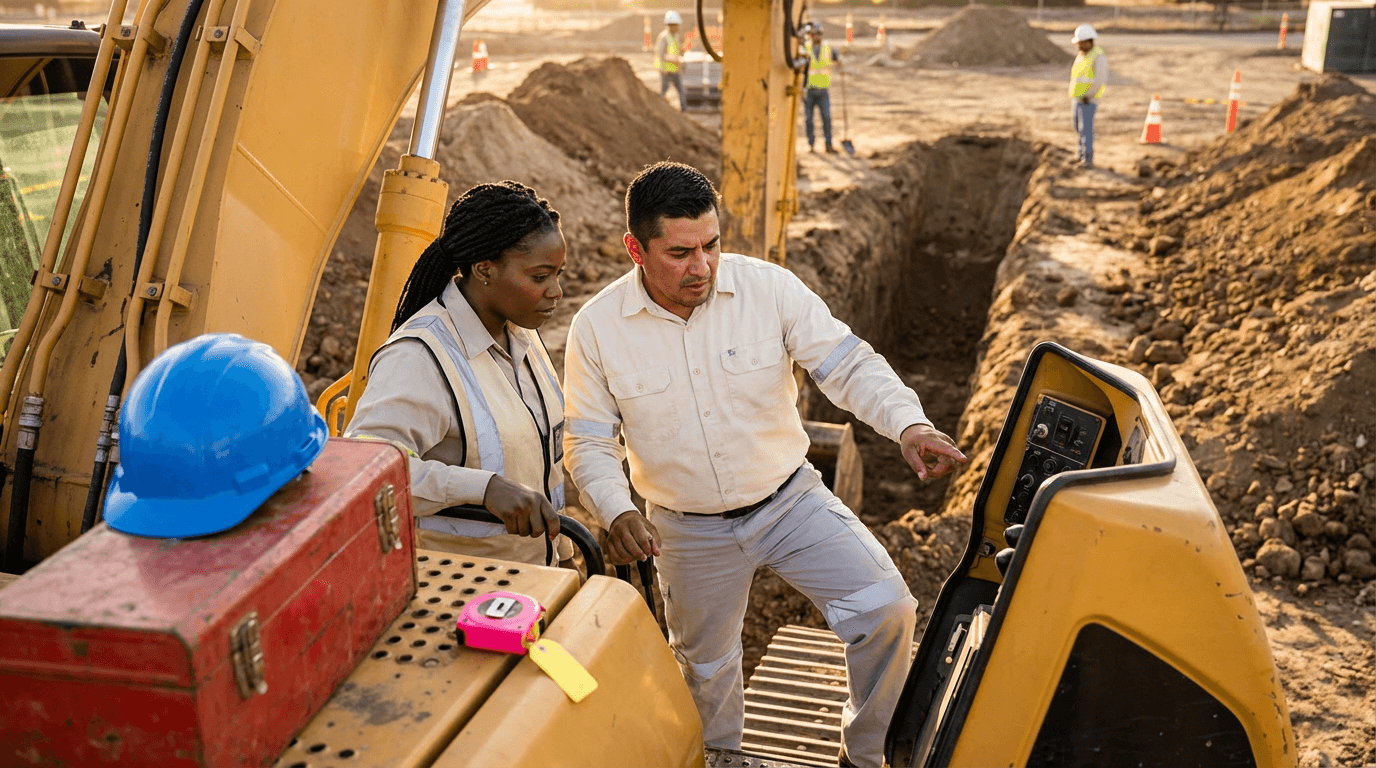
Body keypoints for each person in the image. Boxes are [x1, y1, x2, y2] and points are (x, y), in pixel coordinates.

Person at [562, 162, 967, 768]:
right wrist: (617, 510)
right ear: (635, 249)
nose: (701, 266)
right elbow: (590, 441)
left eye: (711, 245)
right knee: (704, 667)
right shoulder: (596, 329)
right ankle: (720, 756)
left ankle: (866, 756)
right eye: (679, 252)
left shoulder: (769, 290)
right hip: (686, 526)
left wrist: (907, 423)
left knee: (888, 610)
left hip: (791, 501)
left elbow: (846, 364)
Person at [346, 181, 572, 566]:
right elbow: (365, 476)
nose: (557, 291)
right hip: (460, 594)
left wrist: (563, 557)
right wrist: (483, 489)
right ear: (484, 269)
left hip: (534, 583)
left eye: (558, 274)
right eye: (540, 277)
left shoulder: (523, 334)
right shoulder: (418, 357)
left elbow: (544, 465)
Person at [1069, 23, 1109, 168]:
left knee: (1086, 130)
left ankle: (1087, 159)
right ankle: (1080, 155)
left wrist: (1089, 95)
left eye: (1080, 42)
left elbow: (1099, 80)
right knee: (1078, 128)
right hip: (1077, 98)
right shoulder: (1082, 55)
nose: (1078, 45)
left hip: (1088, 100)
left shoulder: (1098, 57)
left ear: (1088, 41)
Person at [802, 23, 841, 154]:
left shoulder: (827, 48)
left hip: (823, 90)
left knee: (826, 118)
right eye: (813, 34)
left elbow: (837, 58)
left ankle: (828, 145)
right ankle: (811, 145)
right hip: (809, 90)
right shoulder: (804, 49)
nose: (815, 37)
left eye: (817, 34)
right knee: (808, 119)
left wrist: (840, 62)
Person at [655, 10, 686, 110]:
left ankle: (684, 111)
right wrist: (663, 69)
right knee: (664, 91)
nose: (677, 27)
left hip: (675, 69)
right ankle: (658, 109)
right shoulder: (663, 37)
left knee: (681, 91)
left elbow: (677, 51)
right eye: (675, 25)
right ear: (670, 25)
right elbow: (660, 54)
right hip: (666, 70)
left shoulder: (675, 37)